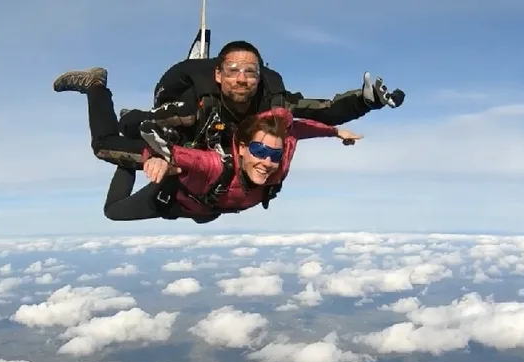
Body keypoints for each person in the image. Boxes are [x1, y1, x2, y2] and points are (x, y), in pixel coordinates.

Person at [53, 40, 403, 169]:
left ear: (258, 76)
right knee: (107, 144)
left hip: (207, 140)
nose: (242, 78)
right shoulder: (194, 104)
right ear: (218, 75)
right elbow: (153, 128)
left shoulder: (272, 100)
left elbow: (321, 109)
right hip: (177, 132)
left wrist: (366, 100)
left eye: (250, 72)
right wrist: (164, 157)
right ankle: (96, 85)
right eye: (233, 70)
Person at [100, 107, 362, 224]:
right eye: (259, 151)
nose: (267, 162)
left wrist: (336, 132)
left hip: (208, 207)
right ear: (242, 148)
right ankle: (98, 88)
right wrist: (153, 160)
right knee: (113, 212)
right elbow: (174, 155)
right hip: (173, 199)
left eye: (275, 154)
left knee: (205, 217)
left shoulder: (281, 156)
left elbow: (299, 129)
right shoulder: (212, 165)